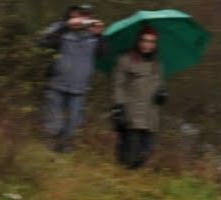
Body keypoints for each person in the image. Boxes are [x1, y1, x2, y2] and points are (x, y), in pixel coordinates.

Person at [38, 4, 107, 153]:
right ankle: (47, 150)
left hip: (79, 88)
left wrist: (100, 35)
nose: (83, 19)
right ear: (72, 16)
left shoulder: (93, 37)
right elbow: (43, 41)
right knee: (53, 122)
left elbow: (102, 54)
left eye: (87, 15)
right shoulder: (61, 31)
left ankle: (63, 149)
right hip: (57, 84)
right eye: (80, 15)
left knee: (73, 125)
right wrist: (65, 26)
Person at [111, 26, 167, 169]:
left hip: (150, 119)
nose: (147, 44)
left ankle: (126, 176)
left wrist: (162, 95)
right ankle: (122, 179)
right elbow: (118, 85)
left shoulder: (157, 64)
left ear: (155, 44)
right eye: (144, 40)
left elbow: (160, 86)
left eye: (151, 41)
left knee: (146, 154)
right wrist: (119, 107)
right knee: (129, 158)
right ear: (138, 41)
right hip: (131, 116)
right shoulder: (125, 60)